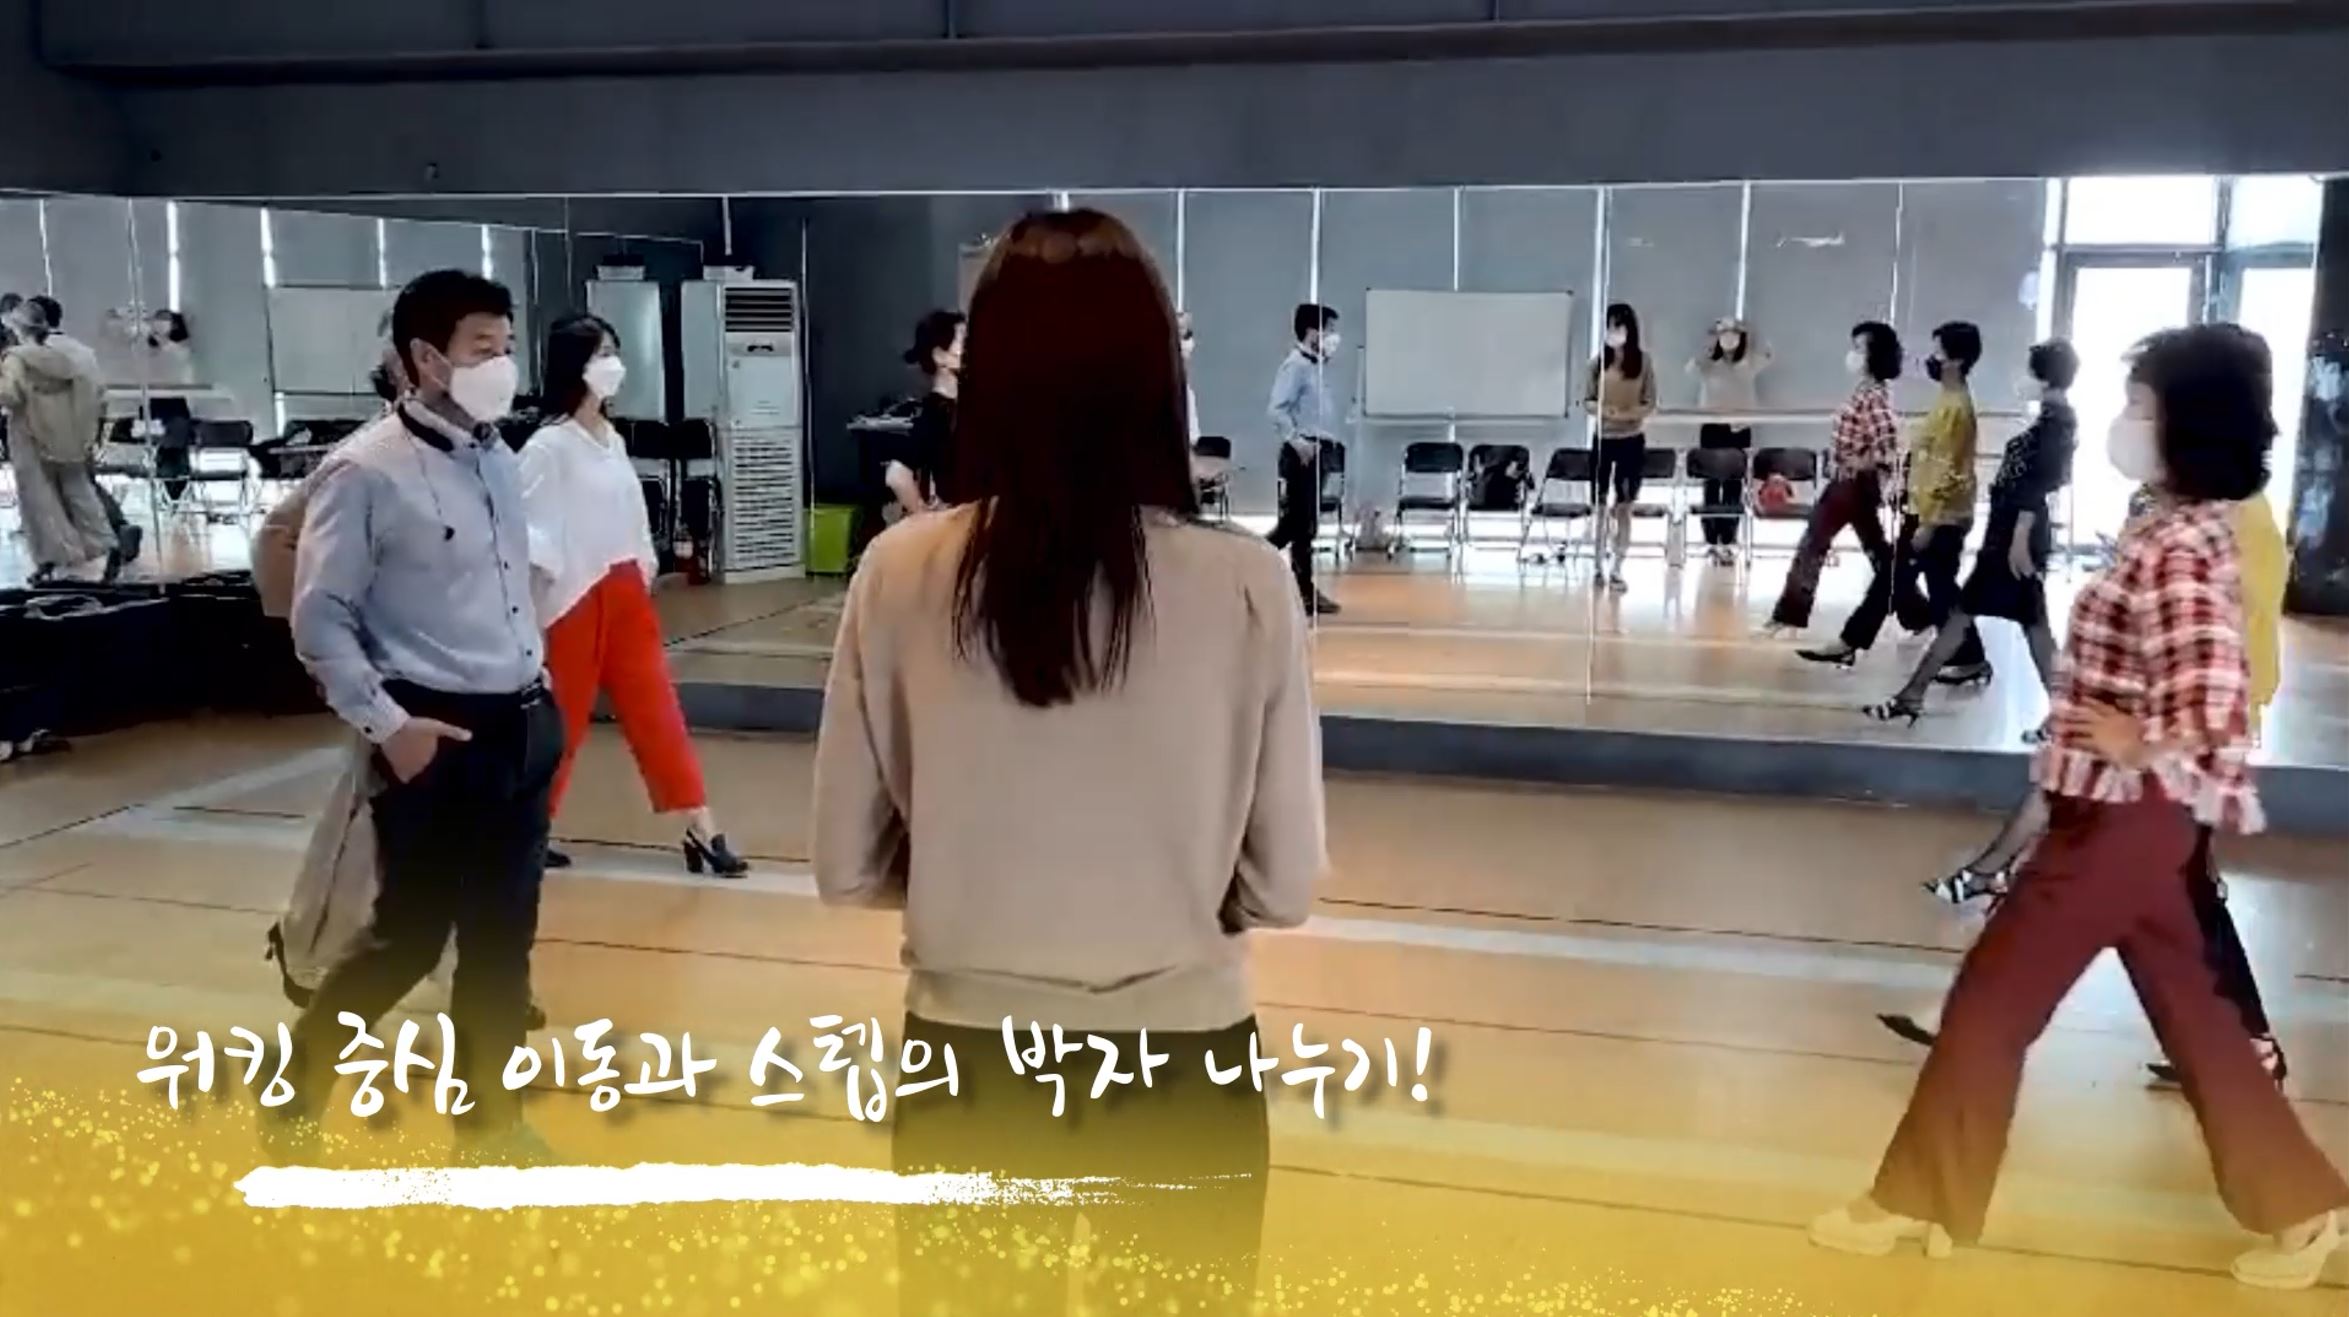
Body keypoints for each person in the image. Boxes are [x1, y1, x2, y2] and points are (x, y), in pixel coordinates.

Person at [815, 208, 1326, 1314]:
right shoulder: (1246, 583)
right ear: (1159, 376)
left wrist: (974, 868)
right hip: (1181, 1056)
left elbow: (846, 865)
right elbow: (1285, 883)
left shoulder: (899, 573)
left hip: (971, 1059)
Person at [1811, 325, 2346, 1292]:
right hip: (2124, 815)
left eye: (2140, 407)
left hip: (2122, 817)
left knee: (1990, 1000)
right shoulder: (2168, 521)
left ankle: (1918, 1198)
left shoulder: (2182, 546)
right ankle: (2303, 1206)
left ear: (2189, 426)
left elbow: (2219, 693)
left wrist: (2139, 738)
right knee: (2197, 1019)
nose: (2123, 422)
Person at [273, 269, 561, 1163]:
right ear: (427, 358)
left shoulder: (498, 456)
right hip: (433, 732)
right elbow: (319, 619)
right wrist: (388, 725)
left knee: (502, 942)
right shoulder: (365, 472)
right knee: (407, 938)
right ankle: (293, 1091)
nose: (501, 364)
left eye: (507, 346)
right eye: (483, 348)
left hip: (523, 722)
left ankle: (489, 1124)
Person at [520, 313, 747, 877]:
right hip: (573, 598)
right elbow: (527, 533)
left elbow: (633, 518)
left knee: (657, 712)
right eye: (602, 353)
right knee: (562, 723)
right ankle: (529, 827)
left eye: (614, 352)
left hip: (625, 591)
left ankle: (702, 826)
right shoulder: (548, 446)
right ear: (575, 365)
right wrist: (539, 602)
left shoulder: (611, 439)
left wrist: (645, 569)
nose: (613, 364)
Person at [1865, 340, 2078, 724]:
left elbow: (2040, 482)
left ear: (2045, 377)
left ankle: (2064, 716)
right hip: (2006, 531)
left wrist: (2020, 537)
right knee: (1978, 616)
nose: (2023, 378)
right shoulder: (2052, 419)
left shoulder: (2056, 423)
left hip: (2015, 536)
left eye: (2030, 371)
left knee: (2028, 624)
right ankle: (1912, 695)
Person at [1802, 322, 1987, 672]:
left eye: (1938, 352)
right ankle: (1851, 641)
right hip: (1924, 509)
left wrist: (1930, 521)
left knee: (1937, 588)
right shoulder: (1946, 401)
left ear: (1957, 360)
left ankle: (1969, 656)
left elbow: (1949, 468)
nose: (1931, 358)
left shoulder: (1957, 408)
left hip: (1939, 515)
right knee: (1895, 579)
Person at [1764, 322, 1902, 633]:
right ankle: (1916, 611)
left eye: (1859, 348)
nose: (1853, 355)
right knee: (1877, 550)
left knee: (1814, 543)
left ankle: (1788, 614)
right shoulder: (1865, 391)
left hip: (1852, 483)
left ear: (1875, 355)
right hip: (1851, 482)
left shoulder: (1874, 397)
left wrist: (1858, 461)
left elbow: (1888, 447)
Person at [1, 295, 121, 584]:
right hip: (69, 434)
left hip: (30, 434)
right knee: (80, 492)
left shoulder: (17, 358)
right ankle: (107, 544)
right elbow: (97, 394)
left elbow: (10, 395)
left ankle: (54, 558)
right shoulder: (73, 356)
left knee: (40, 500)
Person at [1267, 302, 1343, 615]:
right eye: (1330, 329)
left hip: (1318, 451)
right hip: (1303, 454)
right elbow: (1277, 409)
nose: (1334, 337)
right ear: (1313, 332)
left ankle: (1302, 589)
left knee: (1303, 524)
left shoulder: (1316, 367)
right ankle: (1296, 586)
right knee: (1297, 525)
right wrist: (1296, 440)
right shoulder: (1296, 365)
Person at [1585, 302, 1657, 591]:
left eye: (1619, 325)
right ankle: (1597, 566)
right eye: (1610, 325)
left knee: (1624, 506)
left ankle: (1618, 567)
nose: (1614, 331)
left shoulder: (1643, 362)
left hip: (1631, 440)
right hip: (1603, 439)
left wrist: (1628, 415)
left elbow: (1650, 402)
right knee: (1600, 506)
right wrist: (1604, 411)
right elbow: (1587, 400)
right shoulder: (1597, 363)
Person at [1690, 317, 1770, 565]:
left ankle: (1729, 539)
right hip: (1712, 427)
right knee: (1711, 484)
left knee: (1734, 486)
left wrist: (1747, 331)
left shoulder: (1749, 362)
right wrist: (1710, 341)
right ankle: (1711, 540)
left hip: (1739, 428)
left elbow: (1768, 354)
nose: (1728, 337)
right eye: (1723, 333)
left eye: (1732, 332)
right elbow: (1692, 367)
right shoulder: (1709, 364)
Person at [885, 309, 962, 519]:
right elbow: (897, 476)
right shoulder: (934, 413)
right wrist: (924, 517)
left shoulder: (967, 406)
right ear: (940, 356)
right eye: (963, 341)